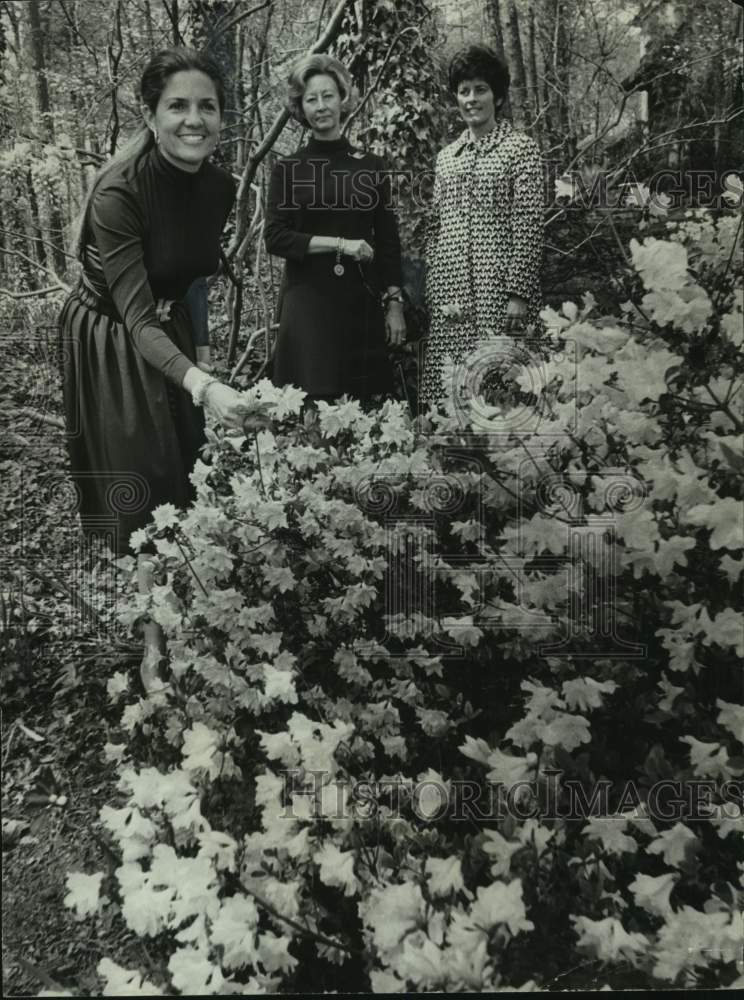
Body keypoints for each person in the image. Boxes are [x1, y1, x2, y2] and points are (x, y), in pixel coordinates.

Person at [58, 47, 246, 690]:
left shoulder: (221, 187)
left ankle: (187, 615)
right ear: (152, 113)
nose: (194, 120)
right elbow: (137, 318)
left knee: (189, 470)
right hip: (112, 332)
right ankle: (153, 651)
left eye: (208, 107)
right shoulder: (120, 190)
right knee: (145, 479)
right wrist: (200, 383)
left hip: (173, 326)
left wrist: (199, 363)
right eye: (178, 106)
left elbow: (192, 280)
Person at [264, 54, 406, 407]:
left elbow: (388, 243)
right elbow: (275, 237)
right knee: (310, 416)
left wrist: (394, 305)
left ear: (343, 98)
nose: (321, 106)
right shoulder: (289, 169)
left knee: (362, 414)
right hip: (307, 306)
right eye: (311, 99)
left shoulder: (372, 166)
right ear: (300, 107)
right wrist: (340, 244)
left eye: (328, 96)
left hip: (358, 306)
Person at [421, 44, 544, 408]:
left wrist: (518, 294)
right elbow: (436, 225)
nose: (471, 99)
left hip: (500, 294)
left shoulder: (520, 150)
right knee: (452, 393)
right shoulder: (446, 159)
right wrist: (435, 285)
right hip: (452, 298)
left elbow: (529, 225)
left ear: (499, 96)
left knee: (504, 386)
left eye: (480, 89)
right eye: (463, 91)